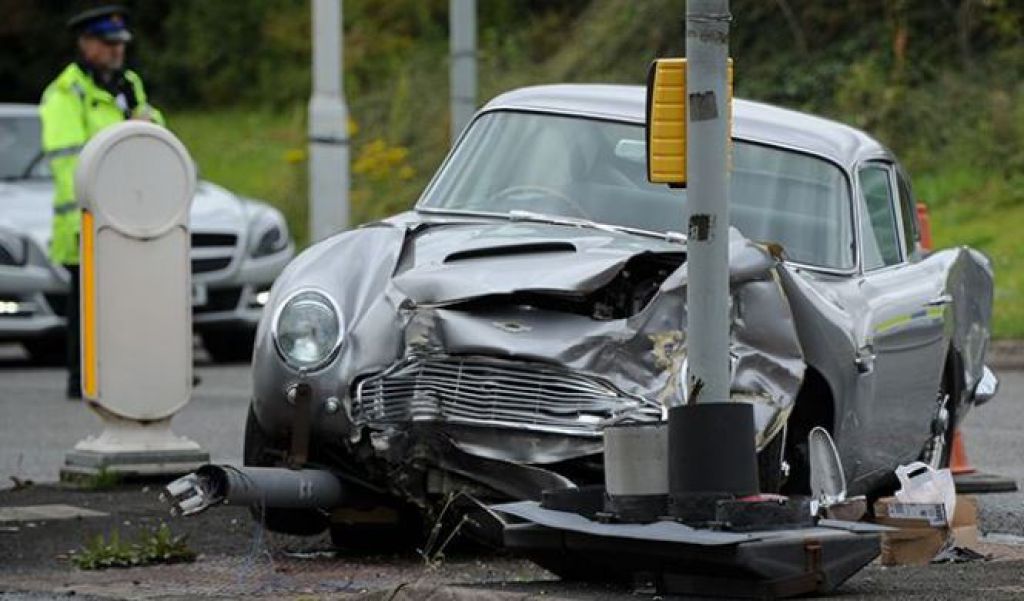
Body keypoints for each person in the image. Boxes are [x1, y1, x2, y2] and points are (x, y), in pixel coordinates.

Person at [39, 5, 164, 399]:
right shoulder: (65, 93)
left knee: (127, 300)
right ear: (86, 44)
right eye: (108, 44)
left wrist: (147, 125)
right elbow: (69, 163)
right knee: (88, 306)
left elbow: (155, 130)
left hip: (128, 210)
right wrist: (93, 209)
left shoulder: (129, 85)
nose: (117, 51)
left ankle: (129, 373)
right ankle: (82, 379)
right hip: (86, 216)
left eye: (120, 43)